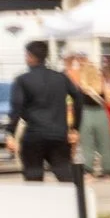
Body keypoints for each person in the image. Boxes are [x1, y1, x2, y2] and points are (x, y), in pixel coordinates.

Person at [11, 41, 76, 181]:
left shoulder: (23, 80)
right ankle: (74, 201)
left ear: (30, 56)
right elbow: (78, 98)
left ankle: (38, 201)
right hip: (58, 133)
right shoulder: (61, 77)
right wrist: (75, 127)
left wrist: (11, 132)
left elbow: (17, 107)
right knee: (64, 173)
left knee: (33, 175)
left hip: (34, 133)